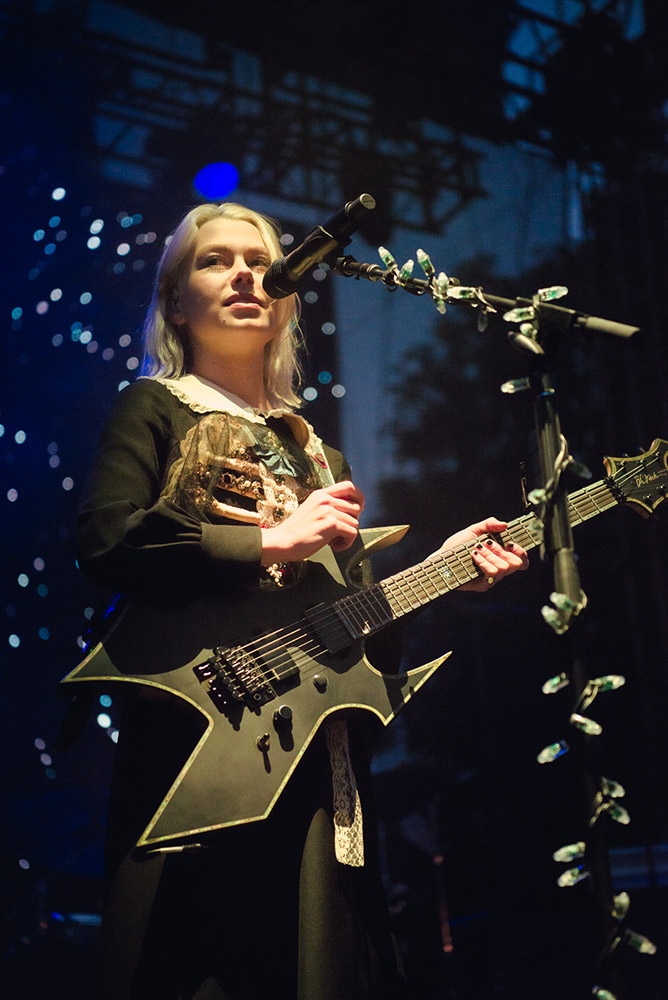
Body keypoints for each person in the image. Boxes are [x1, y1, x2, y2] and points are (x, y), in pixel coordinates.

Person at [73, 201, 529, 999]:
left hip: (310, 760)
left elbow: (352, 637)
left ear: (286, 297)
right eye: (216, 260)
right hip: (199, 743)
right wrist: (265, 543)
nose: (247, 272)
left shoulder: (318, 449)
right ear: (177, 301)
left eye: (260, 259)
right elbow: (107, 541)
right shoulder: (153, 407)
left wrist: (444, 573)